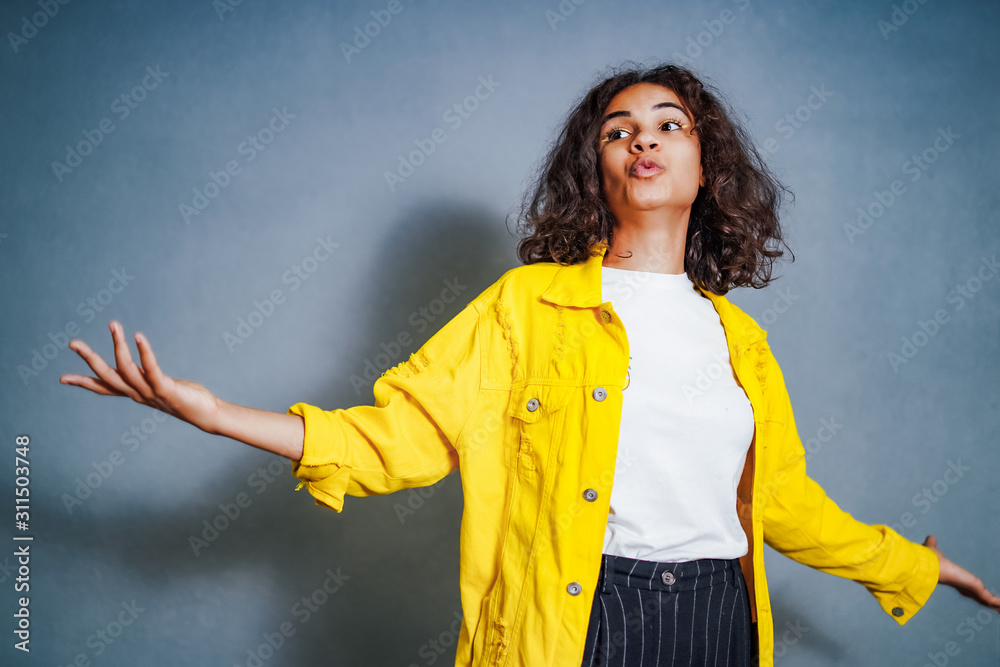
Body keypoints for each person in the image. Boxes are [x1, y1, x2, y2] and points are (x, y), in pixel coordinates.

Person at [61, 62, 998, 667]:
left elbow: (784, 503)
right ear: (596, 168)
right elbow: (397, 438)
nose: (642, 137)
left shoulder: (738, 340)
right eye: (617, 128)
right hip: (585, 619)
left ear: (707, 167)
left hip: (719, 619)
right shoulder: (524, 308)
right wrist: (214, 411)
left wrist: (917, 568)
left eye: (670, 124)